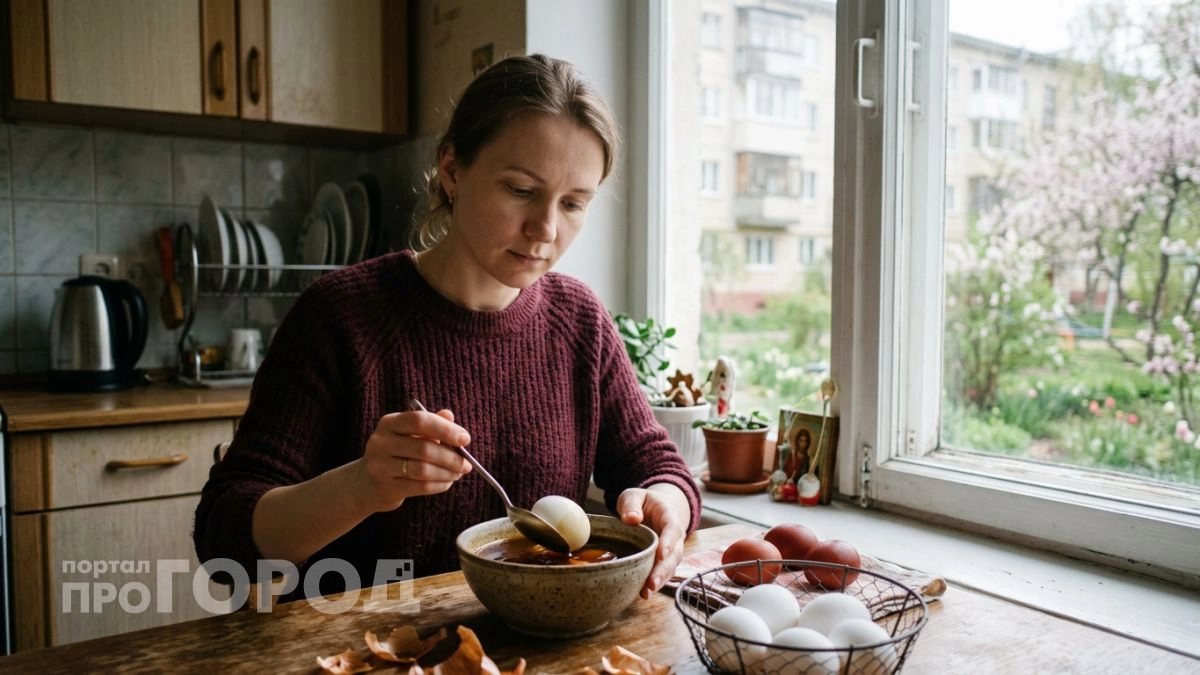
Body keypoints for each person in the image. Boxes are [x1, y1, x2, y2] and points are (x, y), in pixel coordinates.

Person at [193, 54, 702, 602]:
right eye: (521, 190)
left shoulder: (579, 320)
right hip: (365, 653)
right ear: (453, 170)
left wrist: (667, 502)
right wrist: (362, 484)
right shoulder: (339, 317)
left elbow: (656, 465)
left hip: (527, 646)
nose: (546, 229)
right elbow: (223, 539)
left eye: (574, 203)